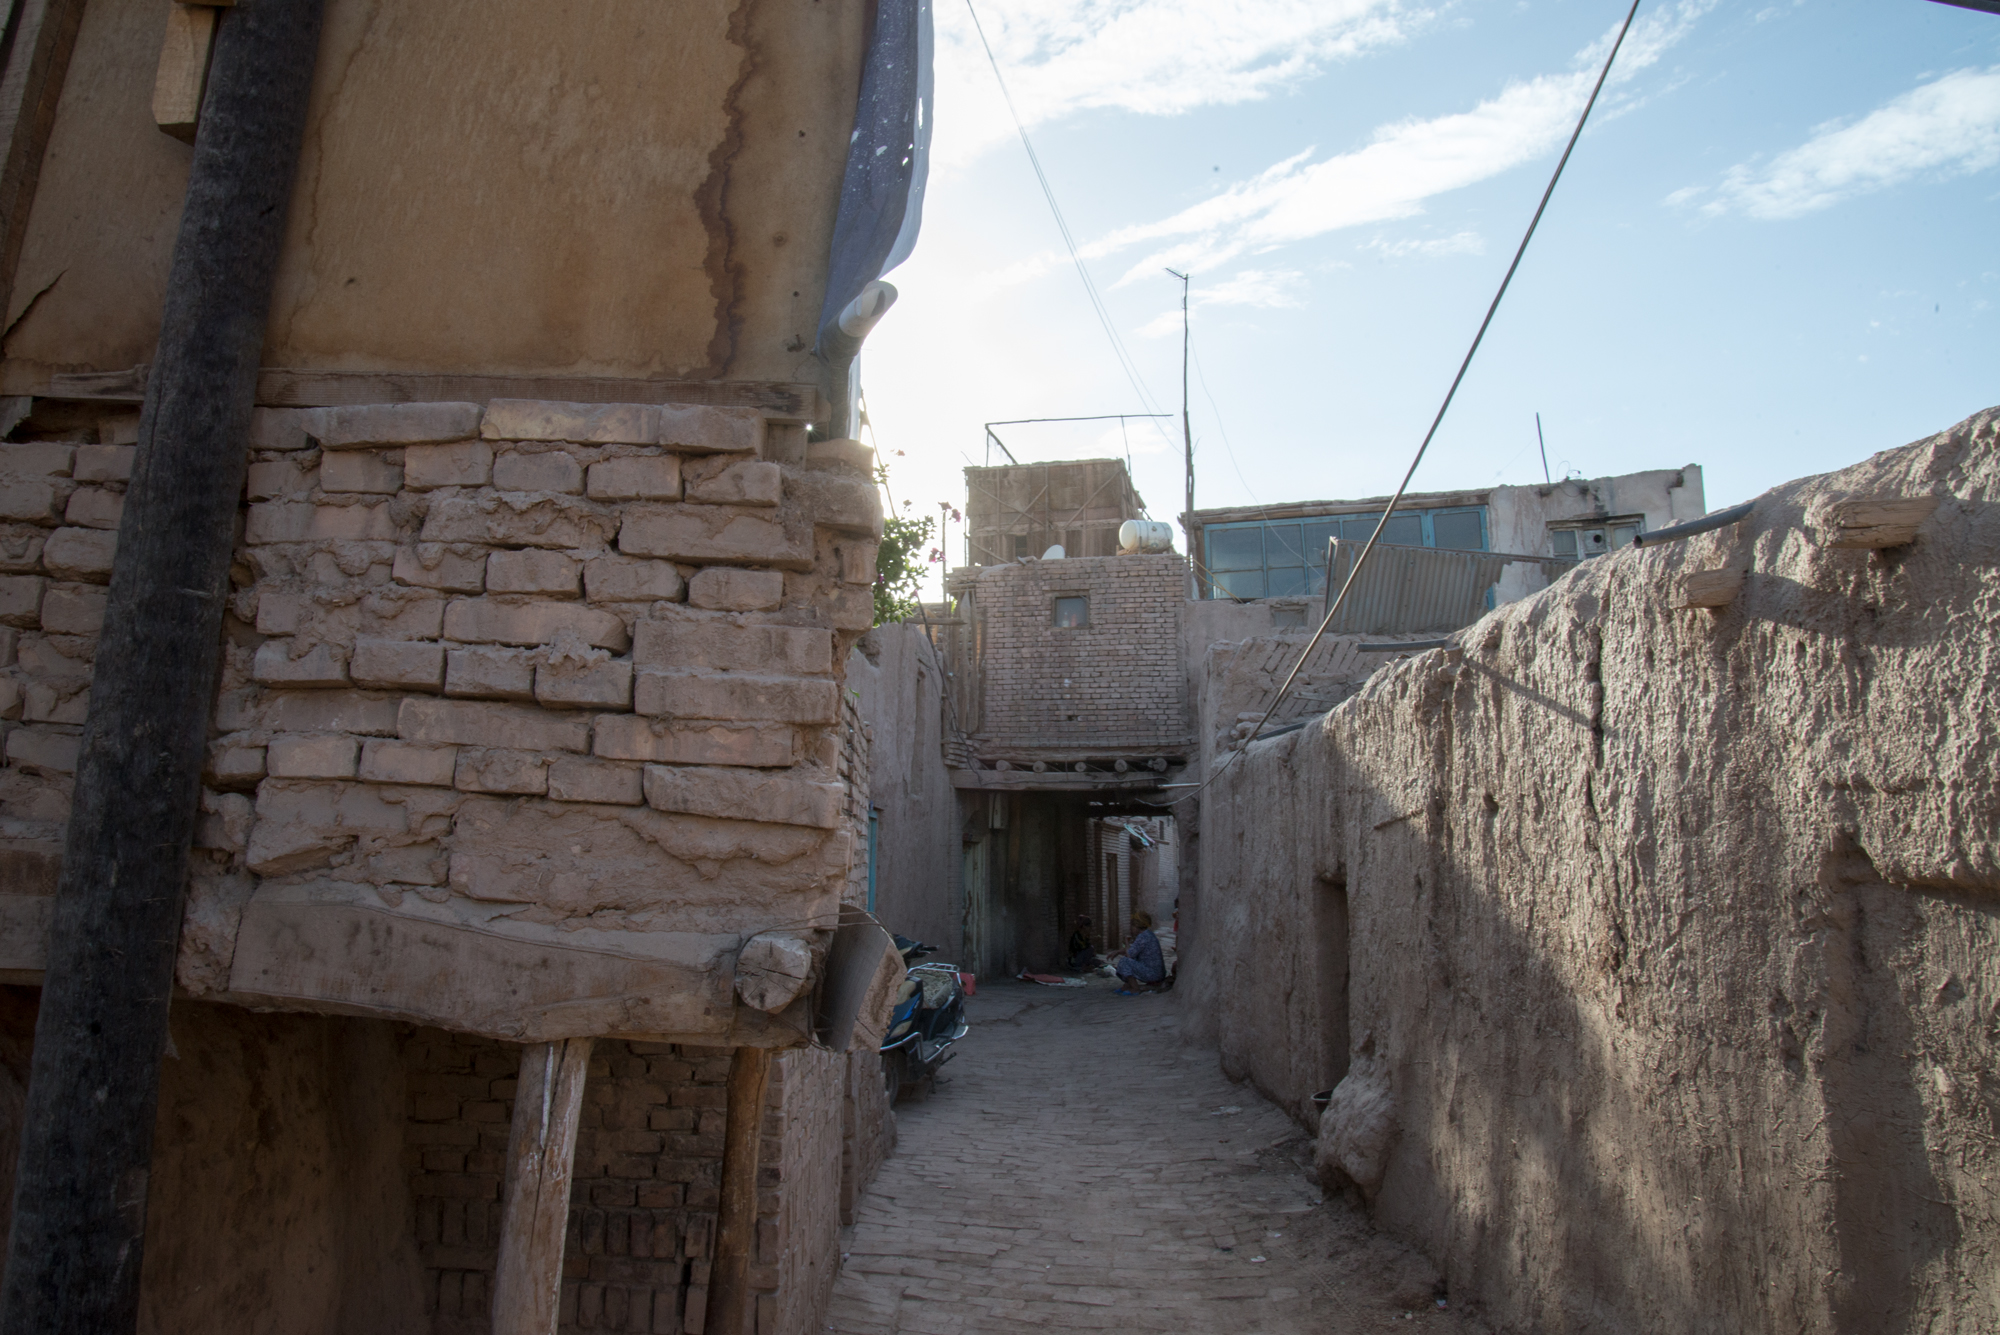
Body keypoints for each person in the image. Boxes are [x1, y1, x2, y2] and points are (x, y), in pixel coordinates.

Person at [1110, 911, 1165, 995]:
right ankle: (1127, 985)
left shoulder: (1142, 937)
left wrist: (1126, 942)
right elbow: (1134, 950)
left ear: (1137, 926)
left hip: (1153, 974)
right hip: (1156, 972)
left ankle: (1135, 988)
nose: (1131, 929)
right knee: (1131, 960)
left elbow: (1130, 954)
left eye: (1132, 926)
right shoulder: (1147, 934)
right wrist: (1118, 952)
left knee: (1125, 961)